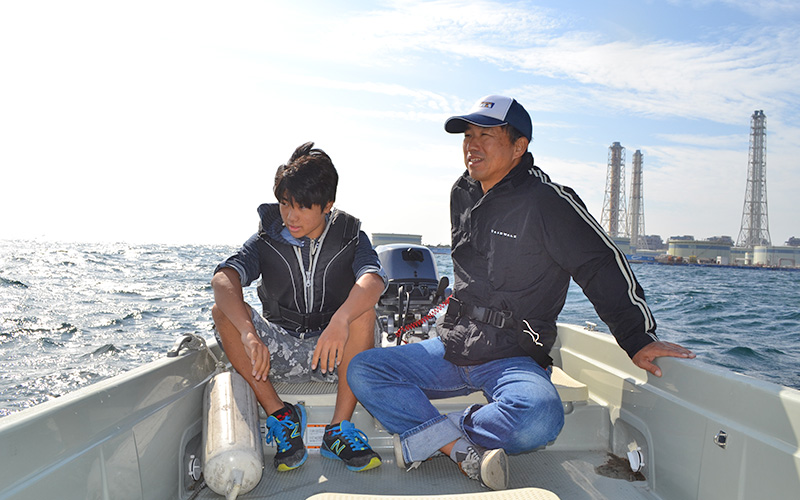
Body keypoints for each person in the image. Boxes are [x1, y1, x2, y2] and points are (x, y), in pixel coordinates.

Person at [347, 95, 695, 490]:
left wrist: (637, 338)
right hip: (454, 344)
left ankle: (441, 435)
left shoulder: (547, 202)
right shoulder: (462, 192)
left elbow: (600, 265)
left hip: (513, 355)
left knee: (540, 419)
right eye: (468, 135)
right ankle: (457, 449)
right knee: (364, 369)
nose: (471, 144)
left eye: (486, 135)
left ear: (519, 146)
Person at [211, 142, 386, 473]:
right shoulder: (266, 236)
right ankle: (281, 414)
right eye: (285, 204)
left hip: (333, 353)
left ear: (327, 205)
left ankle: (338, 430)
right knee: (223, 313)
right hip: (279, 351)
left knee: (364, 312)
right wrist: (249, 333)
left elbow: (373, 281)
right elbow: (224, 278)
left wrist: (341, 320)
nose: (291, 216)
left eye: (303, 207)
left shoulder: (350, 236)